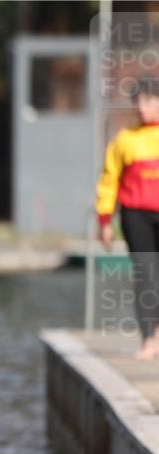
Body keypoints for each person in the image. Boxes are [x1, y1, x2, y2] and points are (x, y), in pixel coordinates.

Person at [97, 76, 159, 360]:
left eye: (150, 101)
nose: (142, 107)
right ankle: (148, 338)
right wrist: (105, 220)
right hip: (136, 216)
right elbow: (109, 181)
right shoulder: (125, 140)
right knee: (146, 275)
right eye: (138, 102)